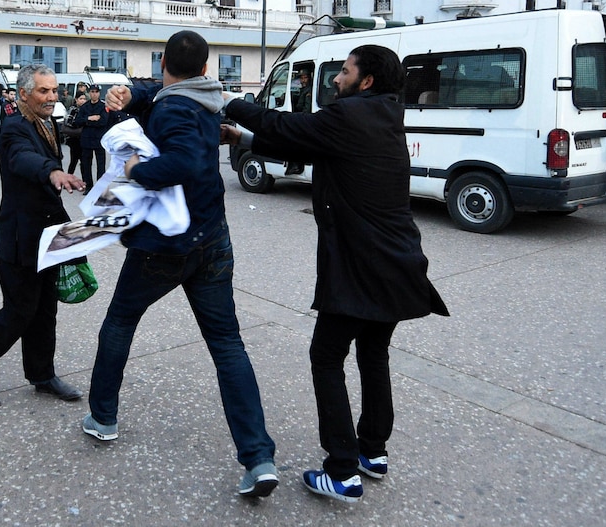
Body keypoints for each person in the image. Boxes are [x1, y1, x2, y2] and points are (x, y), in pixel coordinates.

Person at [221, 45, 449, 503]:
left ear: (366, 80)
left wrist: (231, 101)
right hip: (398, 261)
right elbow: (310, 145)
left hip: (361, 265)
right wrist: (243, 139)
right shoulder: (382, 114)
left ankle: (342, 470)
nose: (336, 79)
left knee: (326, 356)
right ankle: (373, 452)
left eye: (344, 71)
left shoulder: (350, 114)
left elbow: (285, 126)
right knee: (373, 354)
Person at [84, 30, 278, 498]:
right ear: (206, 69)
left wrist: (136, 170)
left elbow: (183, 162)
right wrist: (132, 92)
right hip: (213, 239)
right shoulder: (209, 98)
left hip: (166, 247)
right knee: (227, 344)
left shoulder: (173, 108)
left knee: (119, 322)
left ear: (163, 62)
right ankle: (258, 458)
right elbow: (160, 96)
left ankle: (103, 417)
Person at [0, 64, 87, 409]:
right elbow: (21, 158)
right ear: (24, 94)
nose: (52, 97)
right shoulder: (14, 127)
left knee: (44, 311)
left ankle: (42, 375)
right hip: (19, 239)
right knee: (18, 312)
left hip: (47, 236)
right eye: (44, 91)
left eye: (54, 90)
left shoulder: (48, 123)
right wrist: (52, 171)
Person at [74, 84, 108, 193]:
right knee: (86, 164)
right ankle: (88, 186)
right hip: (87, 138)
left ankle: (100, 187)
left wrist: (88, 122)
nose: (94, 94)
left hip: (99, 138)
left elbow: (103, 121)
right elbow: (78, 121)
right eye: (92, 92)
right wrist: (90, 118)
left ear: (99, 93)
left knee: (101, 165)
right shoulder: (85, 107)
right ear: (89, 93)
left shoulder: (103, 106)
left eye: (96, 92)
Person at [64, 91, 87, 175]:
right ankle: (69, 178)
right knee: (74, 160)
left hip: (83, 138)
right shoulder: (73, 109)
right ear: (76, 99)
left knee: (84, 161)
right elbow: (68, 122)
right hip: (74, 138)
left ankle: (85, 180)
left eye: (84, 99)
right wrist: (81, 122)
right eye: (81, 99)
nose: (83, 101)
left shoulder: (86, 109)